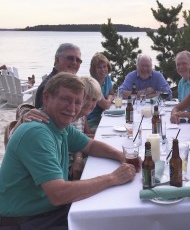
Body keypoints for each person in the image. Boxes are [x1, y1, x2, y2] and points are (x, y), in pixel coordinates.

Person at [0, 73, 137, 229]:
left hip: (49, 211)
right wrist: (113, 177)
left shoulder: (59, 125)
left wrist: (122, 156)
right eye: (65, 99)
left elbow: (90, 146)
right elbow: (58, 194)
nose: (72, 108)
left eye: (78, 102)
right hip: (27, 221)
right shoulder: (37, 132)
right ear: (46, 98)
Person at [35, 43, 82, 109]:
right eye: (70, 58)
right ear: (57, 60)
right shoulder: (48, 86)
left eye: (78, 60)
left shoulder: (68, 84)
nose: (74, 63)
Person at [87, 53, 114, 132]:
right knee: (109, 131)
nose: (103, 70)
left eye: (104, 66)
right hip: (92, 120)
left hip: (104, 115)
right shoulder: (93, 83)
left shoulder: (107, 78)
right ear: (94, 70)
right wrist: (110, 99)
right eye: (99, 67)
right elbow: (105, 105)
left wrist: (109, 98)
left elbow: (112, 93)